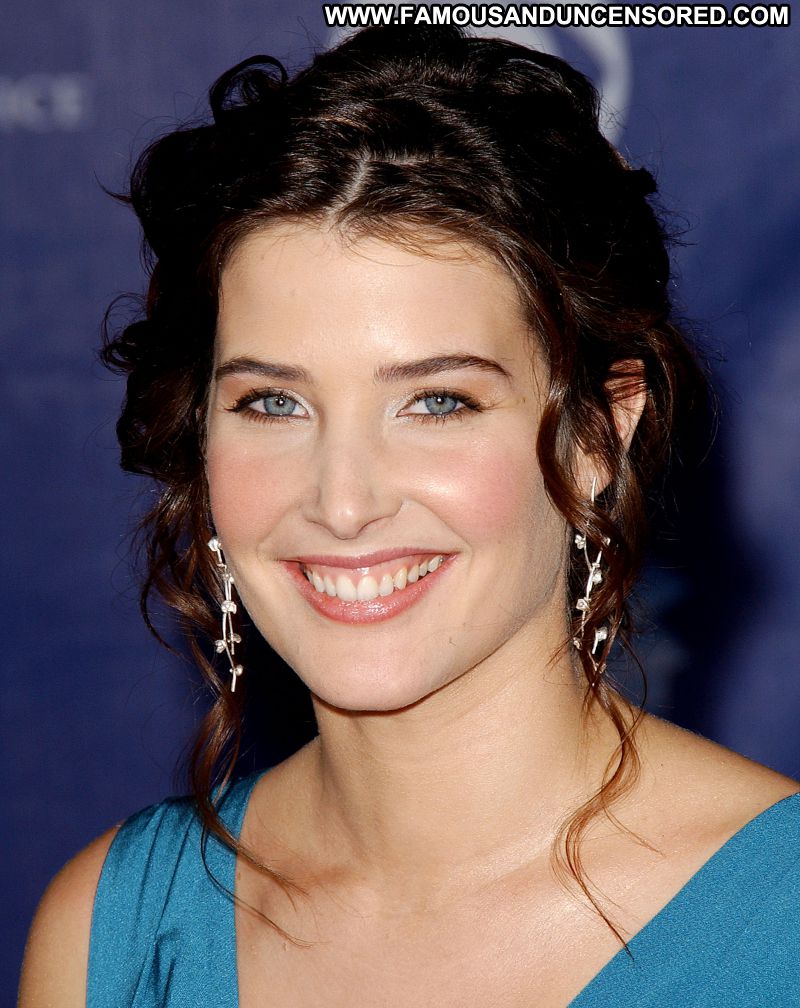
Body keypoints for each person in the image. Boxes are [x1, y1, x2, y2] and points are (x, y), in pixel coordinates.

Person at [18, 23, 800, 1008]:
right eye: (273, 402)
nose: (342, 502)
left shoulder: (781, 922)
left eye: (436, 402)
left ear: (599, 435)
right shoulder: (117, 933)